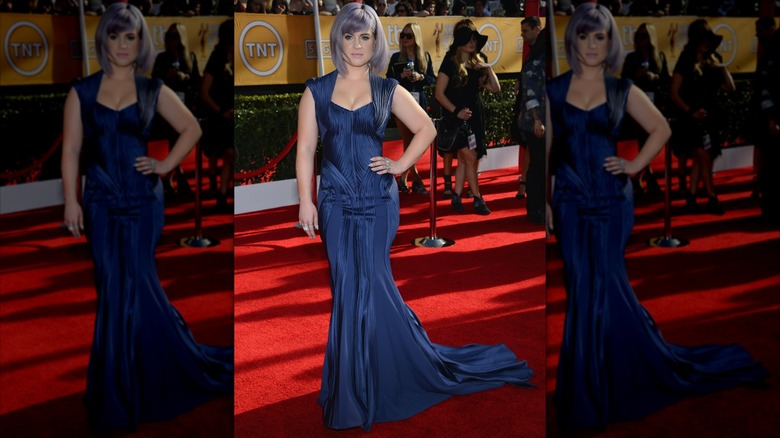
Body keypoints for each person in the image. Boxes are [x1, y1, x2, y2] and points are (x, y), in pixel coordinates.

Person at [295, 3, 533, 431]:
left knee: (370, 283)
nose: (356, 44)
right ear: (337, 40)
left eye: (365, 36)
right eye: (348, 36)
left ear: (376, 43)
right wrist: (305, 201)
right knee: (347, 286)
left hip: (377, 201)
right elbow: (305, 149)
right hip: (333, 201)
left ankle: (368, 378)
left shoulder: (387, 88)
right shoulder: (315, 90)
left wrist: (400, 166)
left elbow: (427, 127)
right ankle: (355, 379)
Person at [545, 4, 767, 430]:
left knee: (606, 284)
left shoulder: (621, 88)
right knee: (581, 289)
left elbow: (661, 128)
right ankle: (589, 381)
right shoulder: (555, 90)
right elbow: (550, 153)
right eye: (585, 36)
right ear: (572, 40)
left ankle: (613, 376)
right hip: (572, 202)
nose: (592, 45)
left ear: (611, 44)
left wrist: (632, 166)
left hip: (612, 202)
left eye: (601, 37)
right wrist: (550, 204)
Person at [60, 3, 232, 430]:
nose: (122, 45)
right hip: (100, 201)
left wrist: (164, 165)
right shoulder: (81, 91)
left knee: (133, 283)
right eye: (115, 36)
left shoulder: (152, 88)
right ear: (104, 40)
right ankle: (123, 378)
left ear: (141, 42)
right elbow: (70, 151)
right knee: (111, 287)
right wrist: (71, 201)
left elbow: (192, 127)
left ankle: (133, 380)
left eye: (130, 37)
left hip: (141, 202)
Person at [669, 18, 734, 215]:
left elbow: (730, 89)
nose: (707, 44)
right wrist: (690, 111)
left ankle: (691, 196)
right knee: (704, 157)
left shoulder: (712, 61)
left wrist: (723, 68)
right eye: (703, 39)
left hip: (709, 119)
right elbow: (673, 93)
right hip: (689, 121)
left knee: (702, 160)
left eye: (709, 40)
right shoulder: (685, 60)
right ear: (695, 40)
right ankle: (712, 197)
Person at [435, 25, 500, 215]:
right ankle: (478, 199)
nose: (473, 43)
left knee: (465, 160)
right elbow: (439, 94)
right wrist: (456, 112)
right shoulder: (449, 63)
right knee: (470, 157)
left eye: (475, 40)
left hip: (475, 118)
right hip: (456, 119)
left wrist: (488, 69)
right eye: (469, 39)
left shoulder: (478, 65)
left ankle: (456, 195)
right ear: (460, 42)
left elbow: (495, 89)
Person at [386, 22, 436, 195]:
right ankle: (416, 179)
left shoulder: (425, 57)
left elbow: (432, 79)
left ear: (416, 37)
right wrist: (400, 76)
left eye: (409, 36)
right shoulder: (396, 58)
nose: (405, 39)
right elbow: (388, 80)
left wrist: (420, 76)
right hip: (401, 104)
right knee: (409, 141)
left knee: (418, 141)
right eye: (403, 35)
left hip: (419, 103)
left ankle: (403, 177)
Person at [151, 22, 201, 196]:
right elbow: (154, 81)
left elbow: (196, 81)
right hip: (167, 107)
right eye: (169, 36)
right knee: (175, 138)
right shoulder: (162, 58)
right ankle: (177, 177)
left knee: (187, 139)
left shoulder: (190, 57)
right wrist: (167, 76)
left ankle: (172, 177)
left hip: (186, 104)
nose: (172, 40)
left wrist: (184, 77)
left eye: (175, 36)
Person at [620, 22, 669, 196]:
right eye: (638, 36)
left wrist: (654, 77)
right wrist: (636, 76)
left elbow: (665, 81)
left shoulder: (659, 57)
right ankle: (649, 178)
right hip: (636, 105)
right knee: (644, 140)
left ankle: (639, 177)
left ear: (651, 37)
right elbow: (624, 80)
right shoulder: (632, 58)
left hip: (654, 104)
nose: (641, 39)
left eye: (644, 36)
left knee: (654, 141)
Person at [514, 16, 546, 224]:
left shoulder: (538, 56)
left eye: (525, 31)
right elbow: (531, 94)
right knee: (538, 166)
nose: (522, 35)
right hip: (537, 123)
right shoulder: (535, 60)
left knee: (540, 165)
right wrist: (537, 120)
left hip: (544, 122)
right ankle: (535, 209)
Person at [200, 19, 234, 212]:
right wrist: (221, 111)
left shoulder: (237, 57)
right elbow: (204, 92)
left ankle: (223, 194)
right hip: (220, 119)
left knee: (230, 156)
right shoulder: (217, 58)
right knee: (228, 154)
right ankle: (221, 194)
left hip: (231, 116)